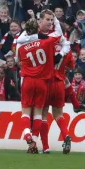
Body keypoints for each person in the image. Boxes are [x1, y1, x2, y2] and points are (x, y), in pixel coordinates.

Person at [17, 12, 62, 154]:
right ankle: (34, 142)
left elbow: (18, 62)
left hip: (28, 81)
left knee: (25, 112)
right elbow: (59, 35)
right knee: (38, 114)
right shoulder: (46, 42)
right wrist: (55, 19)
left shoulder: (22, 48)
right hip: (42, 82)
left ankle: (27, 135)